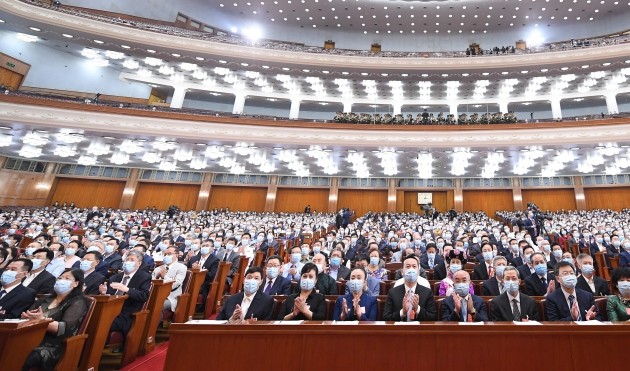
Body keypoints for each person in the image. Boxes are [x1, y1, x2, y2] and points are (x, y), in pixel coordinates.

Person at [22, 269, 89, 371]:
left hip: (54, 345)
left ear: (75, 284)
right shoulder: (45, 299)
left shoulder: (78, 302)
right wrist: (27, 316)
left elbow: (64, 329)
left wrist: (42, 321)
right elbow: (29, 314)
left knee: (24, 356)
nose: (61, 280)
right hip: (31, 337)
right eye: (60, 278)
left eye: (67, 278)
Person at [99, 250, 151, 337]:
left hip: (126, 314)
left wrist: (127, 289)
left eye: (132, 260)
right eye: (127, 259)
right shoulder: (114, 277)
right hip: (109, 310)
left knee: (102, 323)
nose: (128, 262)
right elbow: (111, 297)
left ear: (139, 263)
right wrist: (104, 293)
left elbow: (144, 296)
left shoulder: (144, 277)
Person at [383, 255, 436, 321]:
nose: (411, 269)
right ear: (402, 272)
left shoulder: (427, 292)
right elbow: (386, 317)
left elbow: (432, 317)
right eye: (408, 267)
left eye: (414, 266)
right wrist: (402, 312)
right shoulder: (393, 292)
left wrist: (417, 309)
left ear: (418, 272)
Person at [152, 247, 187, 316]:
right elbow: (151, 282)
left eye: (169, 254)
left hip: (171, 297)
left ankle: (153, 326)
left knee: (158, 305)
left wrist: (164, 276)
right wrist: (157, 277)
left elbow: (176, 284)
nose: (167, 256)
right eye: (165, 254)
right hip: (156, 295)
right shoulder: (158, 268)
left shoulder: (182, 267)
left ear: (176, 255)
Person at [187, 241, 219, 309]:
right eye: (203, 246)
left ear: (212, 249)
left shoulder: (215, 260)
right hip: (191, 282)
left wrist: (200, 269)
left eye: (207, 246)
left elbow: (212, 275)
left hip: (204, 284)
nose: (204, 247)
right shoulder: (193, 258)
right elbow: (187, 272)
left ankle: (191, 309)